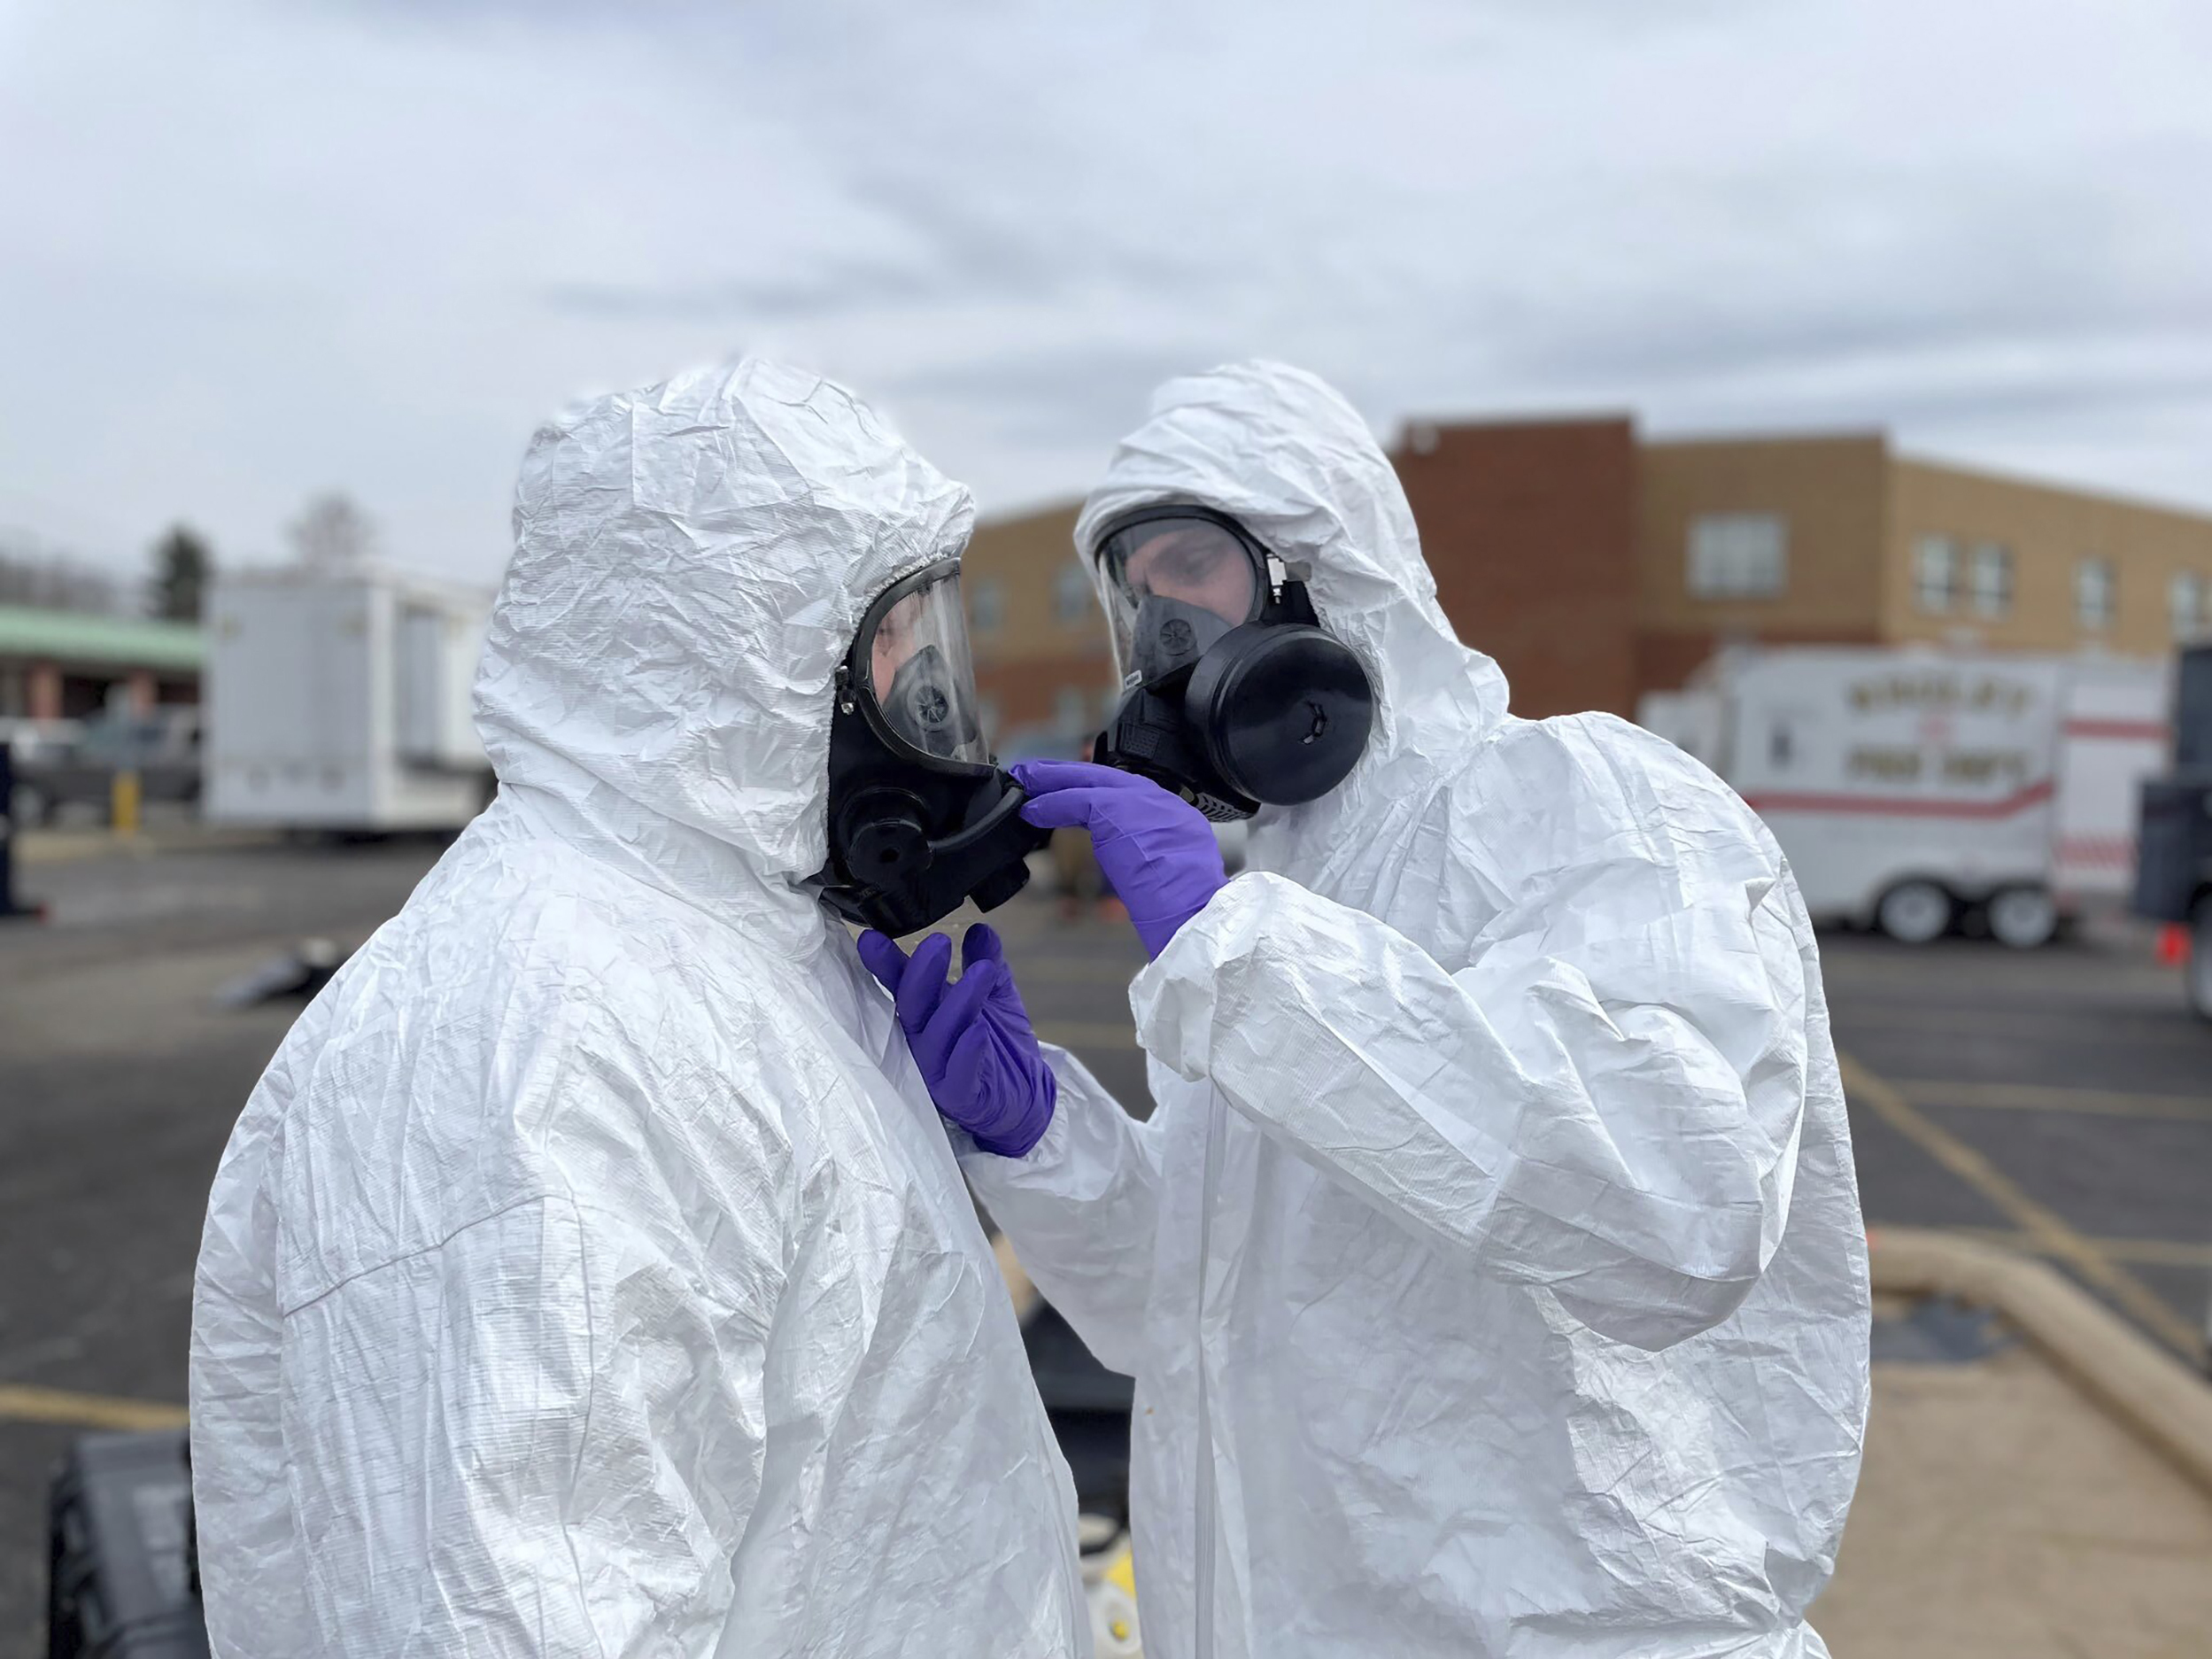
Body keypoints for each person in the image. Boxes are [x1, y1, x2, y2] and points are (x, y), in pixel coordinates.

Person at [862, 361, 1870, 1658]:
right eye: (1133, 597)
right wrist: (1045, 1139)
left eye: (1187, 566)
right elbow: (1202, 1313)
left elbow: (1678, 1202)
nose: (1161, 634)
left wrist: (1243, 958)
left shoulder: (1593, 805)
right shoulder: (1286, 903)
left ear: (1318, 570)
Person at [189, 360, 1090, 1658]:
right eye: (897, 643)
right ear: (746, 648)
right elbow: (513, 1612)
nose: (931, 702)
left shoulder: (723, 956)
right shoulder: (546, 1043)